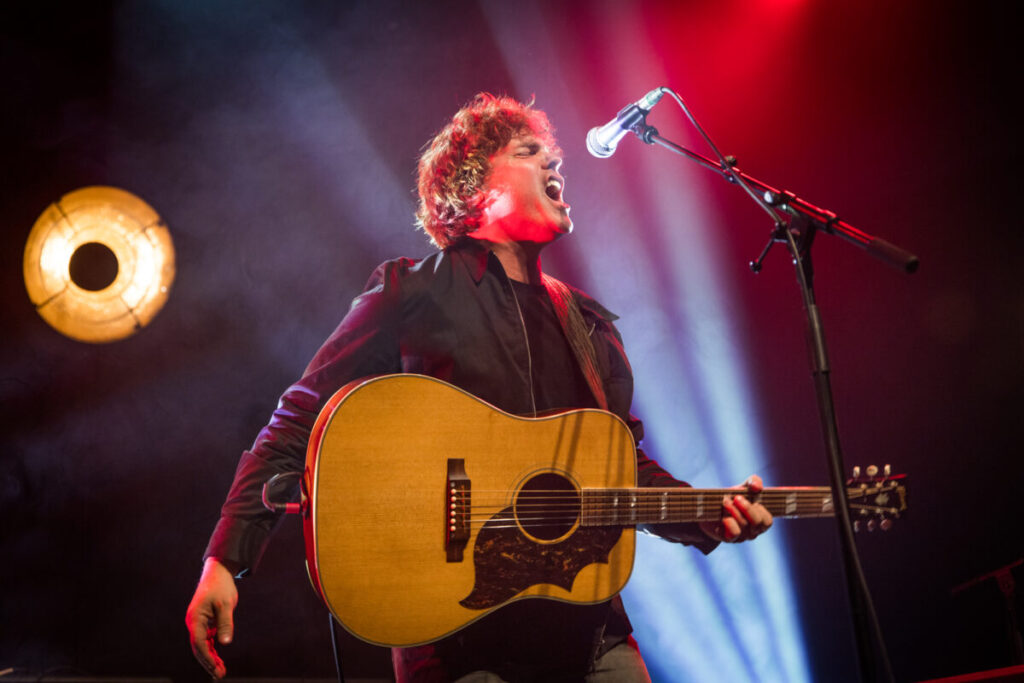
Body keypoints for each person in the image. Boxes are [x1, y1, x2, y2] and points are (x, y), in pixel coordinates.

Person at [185, 93, 773, 682]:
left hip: (592, 637)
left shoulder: (587, 324)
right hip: (454, 642)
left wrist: (708, 513)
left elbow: (621, 468)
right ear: (475, 190)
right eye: (530, 152)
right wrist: (224, 559)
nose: (555, 165)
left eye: (553, 156)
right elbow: (298, 420)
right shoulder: (410, 293)